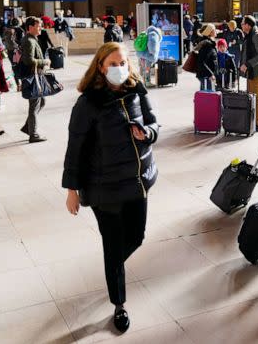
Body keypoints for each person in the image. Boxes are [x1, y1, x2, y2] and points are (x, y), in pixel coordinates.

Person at [63, 42, 159, 334]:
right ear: (100, 67)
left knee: (136, 236)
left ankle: (112, 268)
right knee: (113, 244)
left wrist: (148, 133)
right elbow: (75, 147)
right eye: (113, 64)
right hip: (103, 188)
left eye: (123, 63)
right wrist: (72, 189)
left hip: (136, 180)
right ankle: (119, 303)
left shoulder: (137, 91)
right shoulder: (88, 103)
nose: (119, 69)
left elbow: (155, 123)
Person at [20, 17, 51, 143]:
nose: (41, 28)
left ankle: (28, 127)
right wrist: (45, 61)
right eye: (38, 26)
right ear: (30, 27)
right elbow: (29, 60)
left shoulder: (32, 39)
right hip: (33, 77)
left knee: (41, 101)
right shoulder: (29, 41)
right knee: (35, 105)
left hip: (36, 75)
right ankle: (33, 134)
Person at [240, 15, 258, 132]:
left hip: (255, 71)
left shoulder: (256, 35)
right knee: (252, 95)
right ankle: (253, 120)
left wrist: (247, 64)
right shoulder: (250, 35)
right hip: (251, 70)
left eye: (242, 23)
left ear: (248, 25)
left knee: (256, 96)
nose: (241, 25)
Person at [194, 24, 218, 90]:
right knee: (207, 97)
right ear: (210, 32)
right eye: (214, 30)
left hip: (207, 75)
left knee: (206, 96)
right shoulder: (207, 45)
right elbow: (202, 62)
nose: (216, 31)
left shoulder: (209, 43)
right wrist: (210, 74)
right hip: (206, 76)